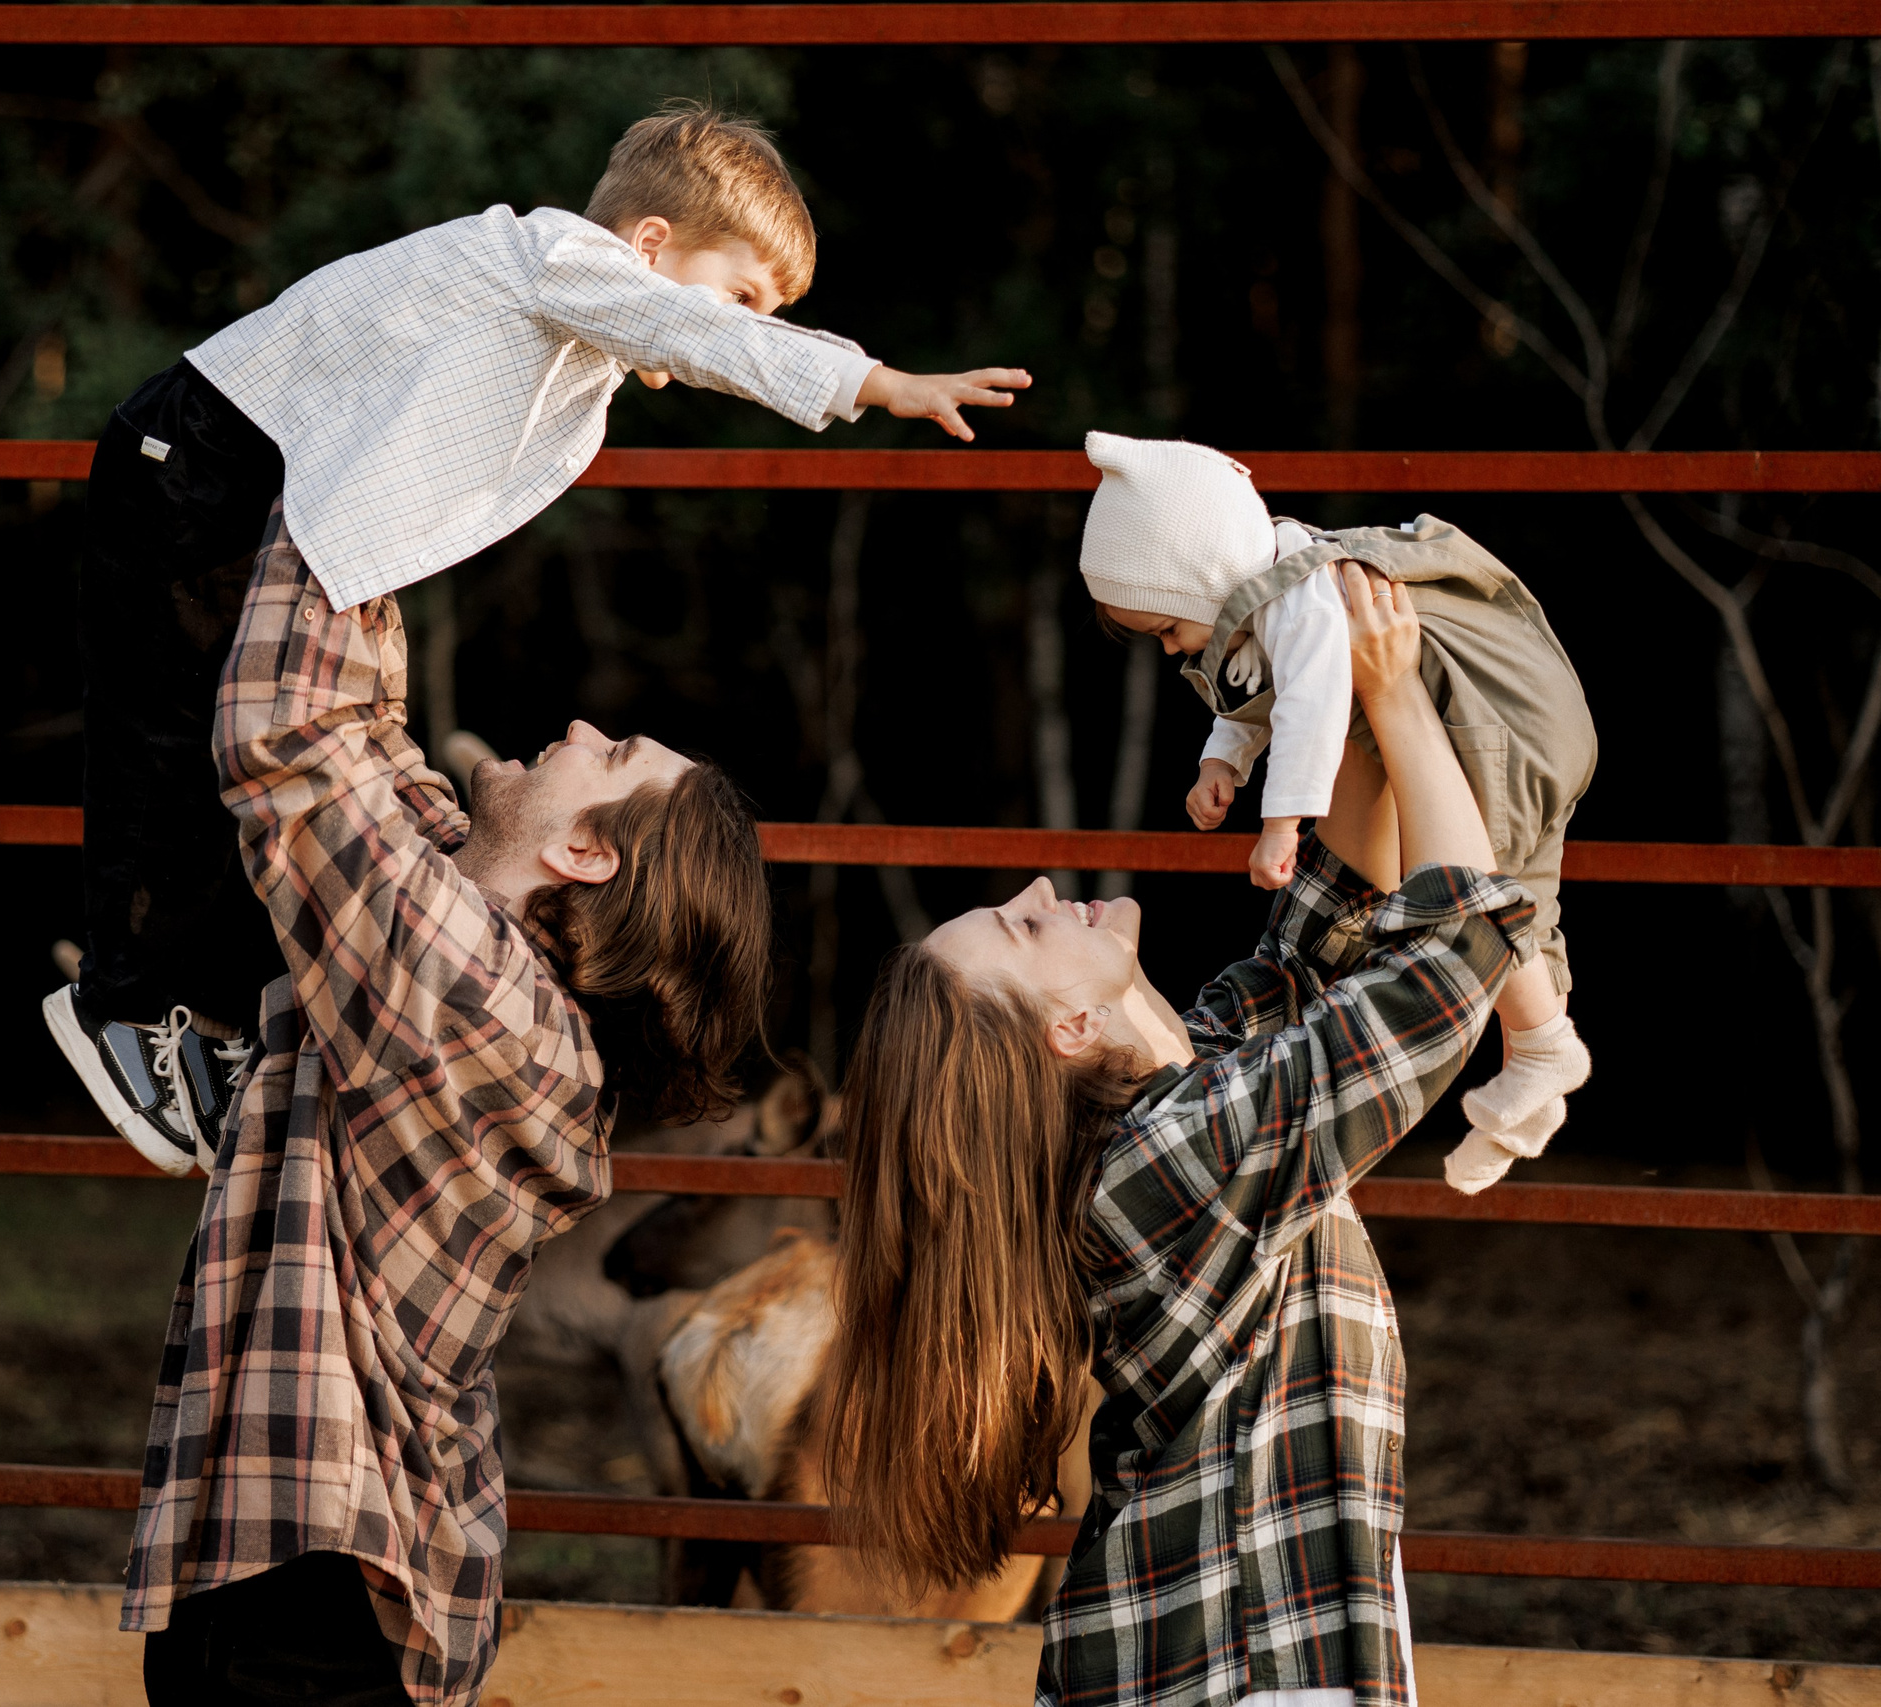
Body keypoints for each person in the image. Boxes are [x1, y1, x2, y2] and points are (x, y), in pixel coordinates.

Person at [47, 101, 1028, 1172]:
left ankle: (196, 1013)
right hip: (195, 464)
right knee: (167, 744)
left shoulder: (572, 329)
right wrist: (870, 381)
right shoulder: (558, 256)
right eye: (742, 295)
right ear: (648, 248)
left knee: (207, 752)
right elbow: (695, 334)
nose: (747, 326)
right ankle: (125, 1009)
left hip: (247, 483)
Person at [818, 567, 1537, 1707]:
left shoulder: (1186, 1092)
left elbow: (1333, 932)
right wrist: (1398, 700)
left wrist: (1328, 690)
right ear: (1066, 1027)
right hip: (1244, 1655)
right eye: (1023, 923)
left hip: (1222, 1638)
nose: (1048, 886)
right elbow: (1447, 963)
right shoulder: (1165, 1164)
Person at [120, 510, 771, 1707]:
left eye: (612, 749)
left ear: (585, 855)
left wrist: (355, 486)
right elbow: (365, 742)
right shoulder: (472, 942)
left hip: (324, 1591)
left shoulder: (480, 1009)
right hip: (310, 1556)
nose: (578, 726)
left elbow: (292, 741)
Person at [1076, 430, 1595, 1193]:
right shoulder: (1270, 593)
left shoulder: (1302, 597)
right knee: (1520, 882)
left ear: (1203, 579)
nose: (1169, 649)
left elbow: (1313, 707)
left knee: (1491, 883)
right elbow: (1256, 683)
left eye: (1166, 629)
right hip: (1510, 719)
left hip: (1505, 721)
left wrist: (1282, 824)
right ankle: (1538, 1060)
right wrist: (1222, 760)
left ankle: (1543, 1045)